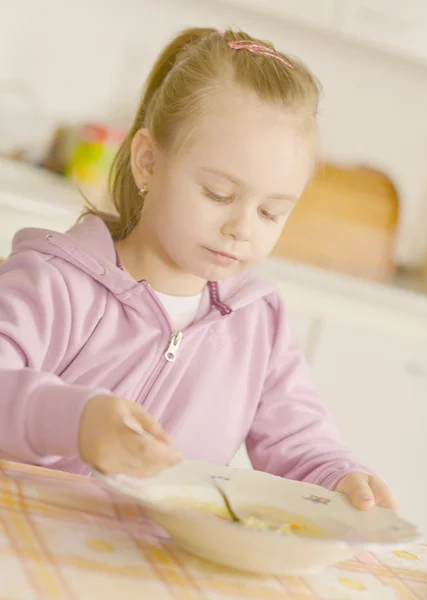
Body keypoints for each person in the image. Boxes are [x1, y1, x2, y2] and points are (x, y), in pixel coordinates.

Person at [0, 27, 396, 511]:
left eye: (271, 212)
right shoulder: (54, 284)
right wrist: (76, 421)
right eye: (218, 194)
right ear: (148, 162)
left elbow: (302, 443)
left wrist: (342, 478)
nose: (241, 227)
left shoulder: (260, 323)